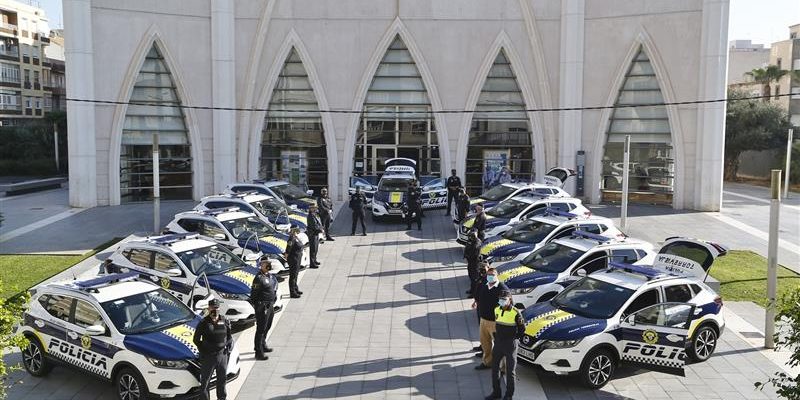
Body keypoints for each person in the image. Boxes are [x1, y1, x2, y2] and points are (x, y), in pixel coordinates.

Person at [486, 291, 525, 400]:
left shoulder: (516, 312)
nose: (502, 301)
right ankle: (496, 392)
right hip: (498, 343)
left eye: (504, 299)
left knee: (510, 371)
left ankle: (508, 395)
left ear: (510, 300)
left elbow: (522, 329)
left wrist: (514, 339)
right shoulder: (496, 309)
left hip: (510, 344)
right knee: (494, 368)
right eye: (500, 299)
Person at [193, 298, 233, 400]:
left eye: (216, 307)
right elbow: (196, 339)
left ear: (219, 308)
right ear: (208, 308)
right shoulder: (204, 323)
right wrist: (204, 350)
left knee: (222, 380)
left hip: (222, 356)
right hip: (208, 357)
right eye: (212, 308)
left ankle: (222, 398)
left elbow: (229, 337)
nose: (214, 310)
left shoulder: (224, 320)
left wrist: (228, 347)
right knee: (205, 383)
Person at [472, 266, 508, 370]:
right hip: (484, 320)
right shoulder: (485, 285)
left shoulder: (502, 288)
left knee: (499, 345)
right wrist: (475, 302)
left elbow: (507, 305)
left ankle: (504, 368)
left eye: (492, 275)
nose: (490, 277)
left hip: (495, 322)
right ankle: (487, 362)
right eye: (489, 275)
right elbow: (478, 296)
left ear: (497, 276)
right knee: (485, 343)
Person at [251, 259, 278, 360]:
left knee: (268, 325)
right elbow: (253, 294)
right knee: (261, 329)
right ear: (262, 265)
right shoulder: (258, 278)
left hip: (270, 305)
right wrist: (257, 306)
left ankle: (263, 344)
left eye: (269, 264)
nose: (269, 265)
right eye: (266, 264)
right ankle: (258, 352)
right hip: (262, 306)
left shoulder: (269, 275)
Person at [284, 228, 303, 298]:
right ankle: (292, 292)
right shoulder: (291, 238)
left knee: (296, 274)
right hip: (293, 259)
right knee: (293, 276)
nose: (296, 232)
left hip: (297, 258)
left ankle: (295, 288)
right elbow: (288, 249)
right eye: (295, 231)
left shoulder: (296, 237)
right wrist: (286, 257)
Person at [463, 231, 482, 298]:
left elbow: (473, 253)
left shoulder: (477, 243)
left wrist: (468, 255)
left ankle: (474, 293)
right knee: (471, 276)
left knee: (474, 279)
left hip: (474, 263)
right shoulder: (471, 241)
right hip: (470, 262)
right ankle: (471, 290)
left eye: (470, 237)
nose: (469, 239)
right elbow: (467, 247)